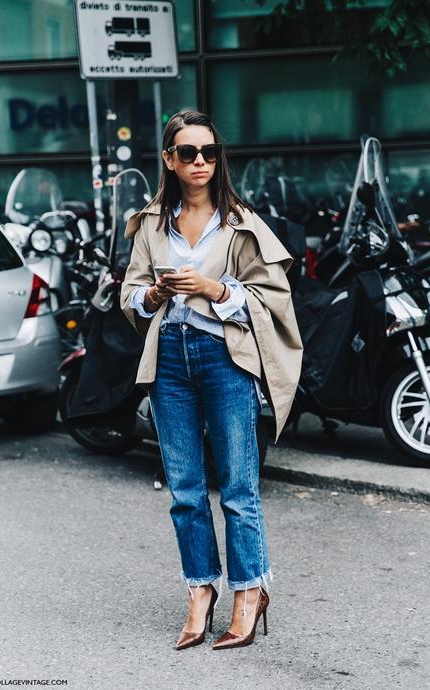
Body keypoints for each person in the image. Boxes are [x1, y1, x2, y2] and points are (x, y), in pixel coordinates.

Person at [121, 110, 302, 650]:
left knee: (239, 489)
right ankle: (201, 589)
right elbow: (130, 292)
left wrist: (214, 288)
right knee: (184, 489)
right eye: (189, 153)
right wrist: (152, 295)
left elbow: (273, 298)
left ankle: (249, 591)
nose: (201, 161)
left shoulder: (241, 222)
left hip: (224, 357)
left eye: (210, 152)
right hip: (170, 359)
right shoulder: (152, 223)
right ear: (169, 160)